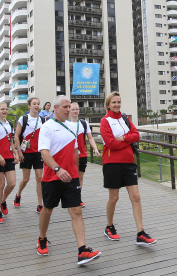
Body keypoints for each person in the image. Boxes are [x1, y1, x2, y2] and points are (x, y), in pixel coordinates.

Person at [37, 95, 101, 265]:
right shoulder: (47, 127)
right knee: (47, 209)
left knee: (76, 211)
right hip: (52, 176)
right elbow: (44, 153)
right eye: (65, 107)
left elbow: (75, 151)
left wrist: (76, 171)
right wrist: (57, 169)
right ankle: (42, 238)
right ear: (56, 108)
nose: (68, 110)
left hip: (71, 177)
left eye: (69, 107)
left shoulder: (72, 127)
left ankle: (82, 250)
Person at [100, 91, 156, 245]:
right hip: (112, 163)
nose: (117, 105)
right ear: (108, 104)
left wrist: (124, 138)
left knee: (136, 197)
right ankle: (109, 226)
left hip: (128, 162)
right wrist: (126, 140)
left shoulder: (124, 118)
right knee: (114, 198)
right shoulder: (105, 121)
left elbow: (136, 135)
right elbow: (110, 143)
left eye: (118, 102)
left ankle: (140, 233)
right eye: (114, 102)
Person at [13, 97, 45, 212]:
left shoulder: (42, 119)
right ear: (29, 106)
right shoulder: (24, 119)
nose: (36, 106)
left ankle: (40, 204)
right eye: (34, 104)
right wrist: (19, 151)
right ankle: (18, 194)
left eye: (38, 103)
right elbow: (16, 135)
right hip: (26, 152)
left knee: (39, 178)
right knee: (26, 179)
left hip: (38, 152)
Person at [0, 102, 19, 223]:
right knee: (1, 184)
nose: (4, 111)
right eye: (2, 109)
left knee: (12, 183)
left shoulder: (9, 124)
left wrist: (15, 153)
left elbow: (11, 141)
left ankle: (3, 200)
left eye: (6, 109)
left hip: (8, 156)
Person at [70, 102, 99, 207]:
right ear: (69, 111)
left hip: (82, 154)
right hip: (70, 155)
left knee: (80, 177)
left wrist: (95, 148)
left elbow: (90, 137)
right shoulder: (66, 123)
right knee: (71, 177)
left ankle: (77, 197)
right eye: (73, 109)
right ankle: (71, 196)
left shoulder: (83, 123)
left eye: (76, 109)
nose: (75, 111)